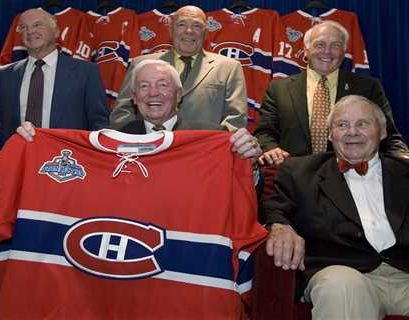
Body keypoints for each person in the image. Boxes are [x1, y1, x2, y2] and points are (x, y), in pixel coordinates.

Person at [262, 95, 409, 319]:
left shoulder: (404, 172)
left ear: (382, 131)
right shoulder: (300, 172)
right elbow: (274, 209)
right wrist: (280, 225)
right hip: (345, 272)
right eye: (342, 125)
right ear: (331, 134)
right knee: (341, 286)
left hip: (404, 274)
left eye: (362, 123)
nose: (352, 132)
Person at [18, 59, 261, 162]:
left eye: (163, 85)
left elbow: (243, 187)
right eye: (144, 86)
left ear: (179, 94)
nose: (153, 93)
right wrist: (35, 139)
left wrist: (249, 160)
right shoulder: (114, 138)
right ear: (134, 98)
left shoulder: (212, 137)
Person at [255, 20, 408, 165]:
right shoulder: (278, 89)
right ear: (306, 50)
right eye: (320, 44)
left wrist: (403, 157)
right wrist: (270, 149)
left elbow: (388, 134)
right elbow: (264, 133)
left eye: (336, 45)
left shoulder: (368, 87)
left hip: (349, 177)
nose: (327, 52)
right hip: (293, 177)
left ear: (344, 51)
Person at [109, 5, 248, 132]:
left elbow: (235, 120)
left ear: (206, 33)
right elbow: (122, 113)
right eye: (181, 24)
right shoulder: (141, 64)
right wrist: (135, 142)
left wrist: (215, 146)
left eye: (197, 26)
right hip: (149, 152)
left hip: (203, 152)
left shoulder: (229, 67)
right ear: (171, 30)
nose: (189, 31)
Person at [0, 8, 109, 149]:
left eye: (37, 25)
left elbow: (99, 123)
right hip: (17, 159)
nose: (30, 31)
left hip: (67, 161)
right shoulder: (3, 75)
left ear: (56, 32)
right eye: (23, 27)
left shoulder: (86, 72)